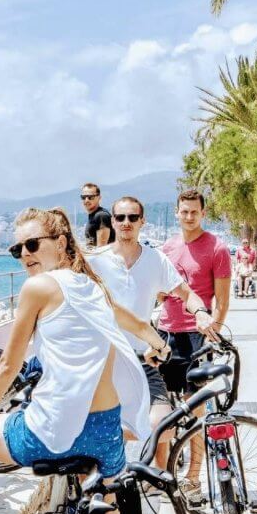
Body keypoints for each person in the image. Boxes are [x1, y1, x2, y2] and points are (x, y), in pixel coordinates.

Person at [0, 207, 163, 514]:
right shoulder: (93, 285)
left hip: (53, 431)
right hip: (105, 433)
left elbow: (8, 363)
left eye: (32, 244)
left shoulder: (38, 288)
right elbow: (134, 322)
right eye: (17, 249)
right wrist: (157, 344)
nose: (24, 254)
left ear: (62, 241)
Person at [87, 196, 214, 472]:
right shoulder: (95, 261)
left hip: (142, 360)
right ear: (112, 222)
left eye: (133, 217)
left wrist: (201, 312)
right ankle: (102, 446)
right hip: (102, 361)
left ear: (142, 222)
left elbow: (185, 293)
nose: (126, 223)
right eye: (120, 218)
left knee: (164, 428)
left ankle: (149, 472)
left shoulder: (156, 259)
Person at [157, 189, 230, 502]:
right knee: (161, 410)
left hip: (197, 338)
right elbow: (159, 292)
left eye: (194, 212)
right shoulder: (167, 249)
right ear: (176, 212)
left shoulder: (217, 248)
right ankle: (162, 474)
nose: (189, 216)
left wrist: (212, 329)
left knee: (197, 410)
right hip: (165, 334)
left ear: (203, 213)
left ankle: (194, 476)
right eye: (184, 211)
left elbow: (222, 301)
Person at [81, 183, 115, 248]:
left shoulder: (101, 216)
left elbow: (101, 248)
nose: (86, 200)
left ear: (99, 198)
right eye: (83, 197)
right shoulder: (93, 216)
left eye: (90, 197)